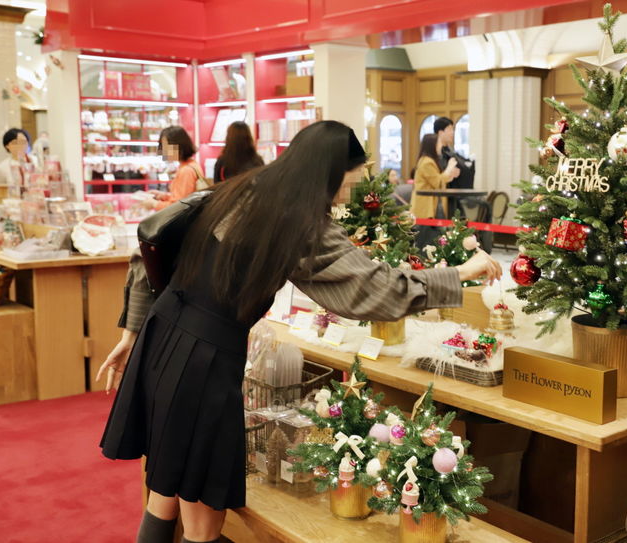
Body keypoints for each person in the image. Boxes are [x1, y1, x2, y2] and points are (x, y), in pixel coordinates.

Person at [97, 120, 502, 543]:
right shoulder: (296, 222)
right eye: (346, 183)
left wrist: (131, 333)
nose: (346, 195)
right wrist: (456, 274)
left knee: (164, 491)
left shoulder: (238, 189)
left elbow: (150, 242)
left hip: (163, 336)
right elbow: (374, 287)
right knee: (202, 523)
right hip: (204, 361)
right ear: (324, 174)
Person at [150, 127, 206, 210]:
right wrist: (164, 196)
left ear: (179, 145)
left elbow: (178, 208)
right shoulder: (190, 164)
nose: (162, 151)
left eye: (166, 146)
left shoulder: (186, 170)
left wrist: (154, 204)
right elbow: (183, 198)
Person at [410, 133, 459, 219]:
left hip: (431, 205)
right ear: (432, 145)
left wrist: (450, 175)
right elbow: (437, 182)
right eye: (439, 143)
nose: (441, 146)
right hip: (425, 208)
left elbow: (437, 179)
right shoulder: (427, 162)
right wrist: (449, 168)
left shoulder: (429, 161)